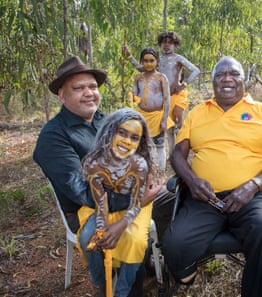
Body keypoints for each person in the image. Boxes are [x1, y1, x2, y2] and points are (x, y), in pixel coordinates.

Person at [33, 56, 174, 297]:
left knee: (174, 201)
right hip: (90, 209)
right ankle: (113, 284)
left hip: (129, 193)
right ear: (61, 94)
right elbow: (83, 193)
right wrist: (139, 200)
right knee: (127, 238)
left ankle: (159, 258)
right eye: (78, 88)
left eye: (93, 87)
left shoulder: (105, 120)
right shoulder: (54, 137)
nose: (89, 93)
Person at [162, 56, 262, 297]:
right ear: (213, 82)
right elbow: (178, 154)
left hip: (253, 197)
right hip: (204, 197)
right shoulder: (198, 113)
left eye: (234, 74)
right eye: (220, 75)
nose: (227, 79)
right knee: (174, 245)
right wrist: (191, 180)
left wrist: (253, 185)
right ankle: (186, 275)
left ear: (244, 80)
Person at [80, 108, 153, 297]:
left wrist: (121, 225)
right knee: (89, 239)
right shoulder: (93, 164)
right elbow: (101, 200)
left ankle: (122, 290)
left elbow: (138, 201)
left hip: (137, 205)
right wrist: (101, 228)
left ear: (140, 142)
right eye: (122, 132)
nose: (127, 141)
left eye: (134, 137)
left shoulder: (139, 165)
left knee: (135, 242)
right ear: (109, 131)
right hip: (106, 206)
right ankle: (102, 284)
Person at [122, 31, 200, 155]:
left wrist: (184, 84)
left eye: (170, 43)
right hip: (164, 98)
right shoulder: (157, 60)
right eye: (164, 43)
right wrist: (129, 56)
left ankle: (187, 149)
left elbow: (196, 70)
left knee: (179, 123)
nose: (167, 45)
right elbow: (141, 68)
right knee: (168, 127)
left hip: (177, 95)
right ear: (160, 44)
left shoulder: (178, 58)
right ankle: (173, 154)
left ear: (175, 45)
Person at [131, 48, 174, 172]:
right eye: (145, 61)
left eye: (151, 61)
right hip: (142, 115)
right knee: (143, 143)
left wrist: (165, 119)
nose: (148, 64)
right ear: (141, 62)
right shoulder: (138, 78)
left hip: (157, 116)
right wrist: (131, 96)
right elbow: (135, 94)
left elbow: (167, 98)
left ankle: (160, 170)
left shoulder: (161, 78)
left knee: (159, 144)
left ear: (157, 61)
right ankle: (145, 169)